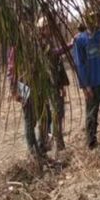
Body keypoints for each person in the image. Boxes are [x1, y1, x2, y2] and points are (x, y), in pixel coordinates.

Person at [73, 10, 100, 148]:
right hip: (92, 84)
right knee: (92, 115)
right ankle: (91, 143)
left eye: (95, 17)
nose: (93, 20)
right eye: (90, 18)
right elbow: (80, 64)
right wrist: (85, 86)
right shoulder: (80, 40)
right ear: (85, 20)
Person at [36, 16, 71, 151]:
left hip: (55, 83)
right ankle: (49, 145)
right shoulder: (40, 43)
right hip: (46, 84)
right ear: (41, 29)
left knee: (58, 113)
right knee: (51, 114)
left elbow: (58, 65)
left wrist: (62, 84)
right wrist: (70, 45)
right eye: (46, 27)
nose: (49, 29)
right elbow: (54, 54)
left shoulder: (49, 40)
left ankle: (55, 143)